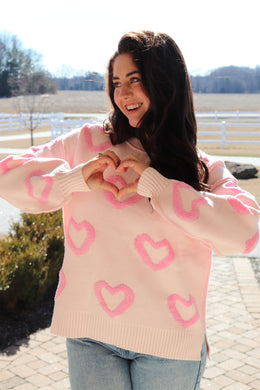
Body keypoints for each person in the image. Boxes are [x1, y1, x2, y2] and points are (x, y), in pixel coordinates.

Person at [0, 31, 259, 390]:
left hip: (168, 343)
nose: (122, 94)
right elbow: (7, 177)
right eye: (117, 82)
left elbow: (246, 231)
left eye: (134, 80)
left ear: (165, 83)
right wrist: (73, 180)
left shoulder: (196, 167)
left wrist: (159, 187)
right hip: (89, 334)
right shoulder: (87, 144)